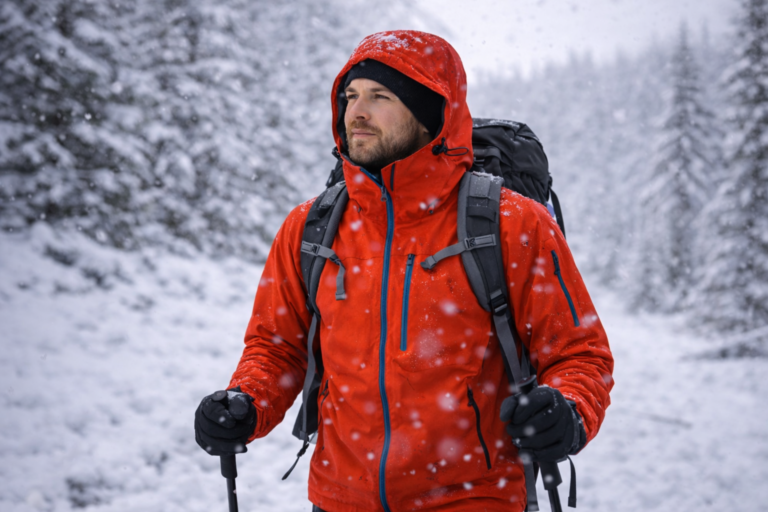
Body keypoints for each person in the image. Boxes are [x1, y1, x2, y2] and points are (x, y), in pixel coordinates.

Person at [194, 30, 614, 512]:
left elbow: (580, 353)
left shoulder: (510, 222)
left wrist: (569, 410)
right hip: (338, 500)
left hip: (475, 500)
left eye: (380, 96)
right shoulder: (310, 227)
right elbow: (276, 348)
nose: (357, 112)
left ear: (429, 113)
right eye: (350, 96)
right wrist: (245, 402)